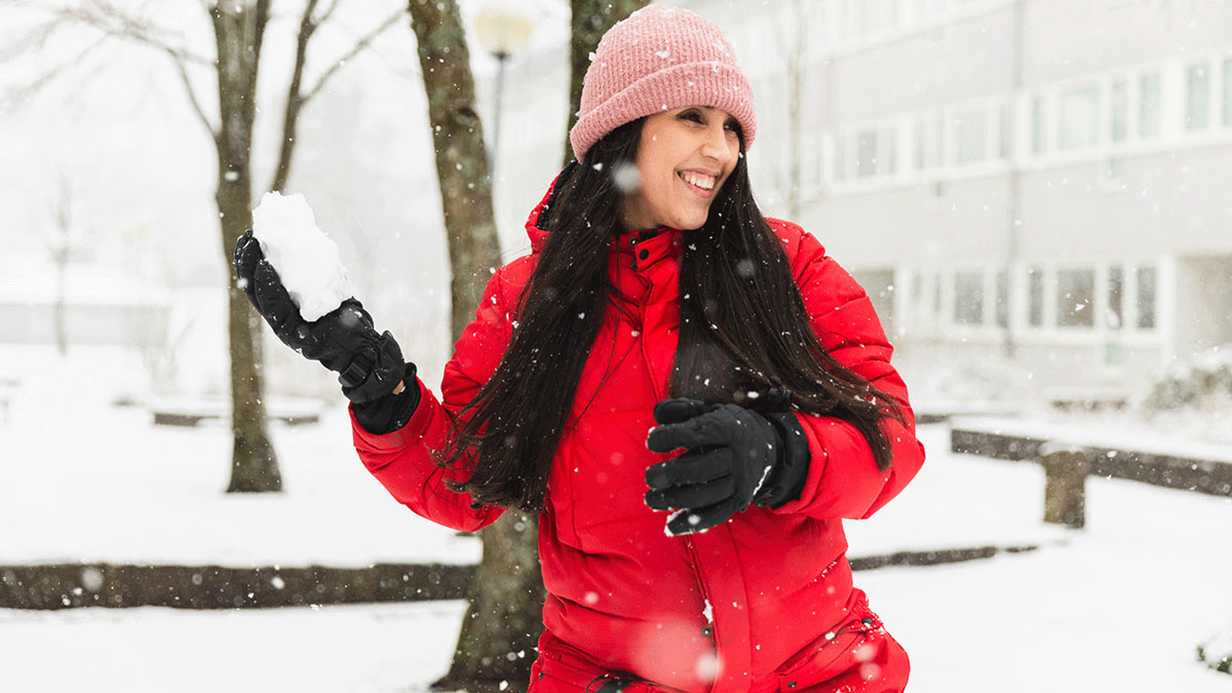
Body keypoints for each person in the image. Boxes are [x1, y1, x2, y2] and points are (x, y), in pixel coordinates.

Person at [235, 5, 925, 691]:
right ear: (623, 130)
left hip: (821, 676)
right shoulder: (531, 301)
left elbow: (888, 433)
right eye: (693, 117)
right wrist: (376, 383)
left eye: (731, 127)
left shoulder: (786, 268)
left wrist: (785, 453)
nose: (721, 149)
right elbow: (465, 478)